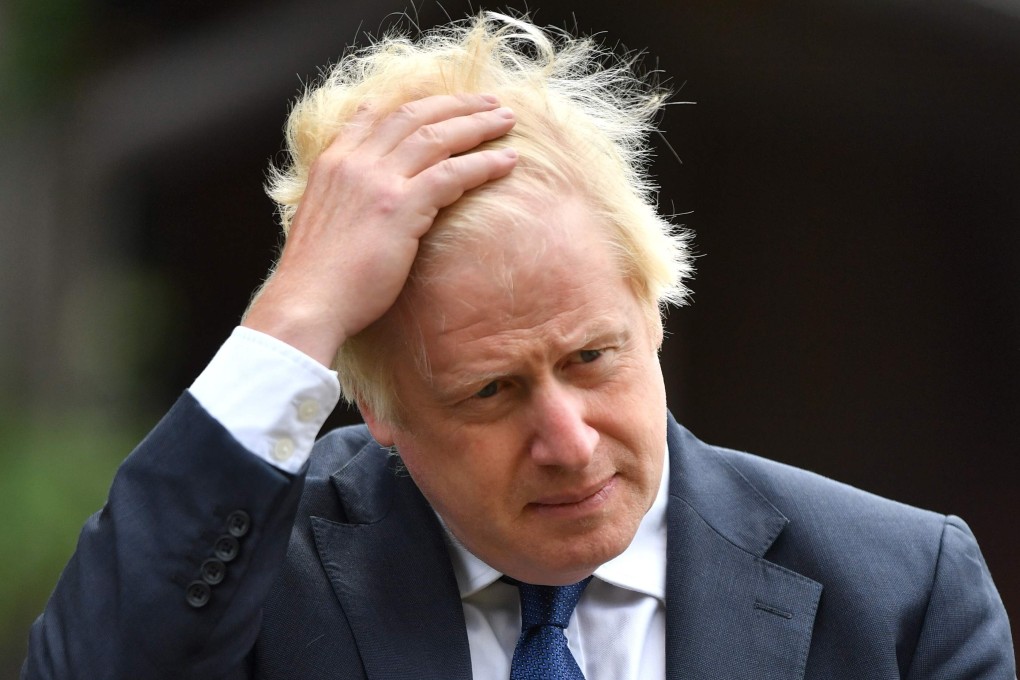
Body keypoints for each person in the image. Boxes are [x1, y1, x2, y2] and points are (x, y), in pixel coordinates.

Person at [23, 12, 1014, 680]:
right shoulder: (267, 581)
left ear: (653, 307)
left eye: (592, 357)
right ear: (381, 411)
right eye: (491, 390)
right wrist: (297, 312)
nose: (569, 439)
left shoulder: (900, 595)